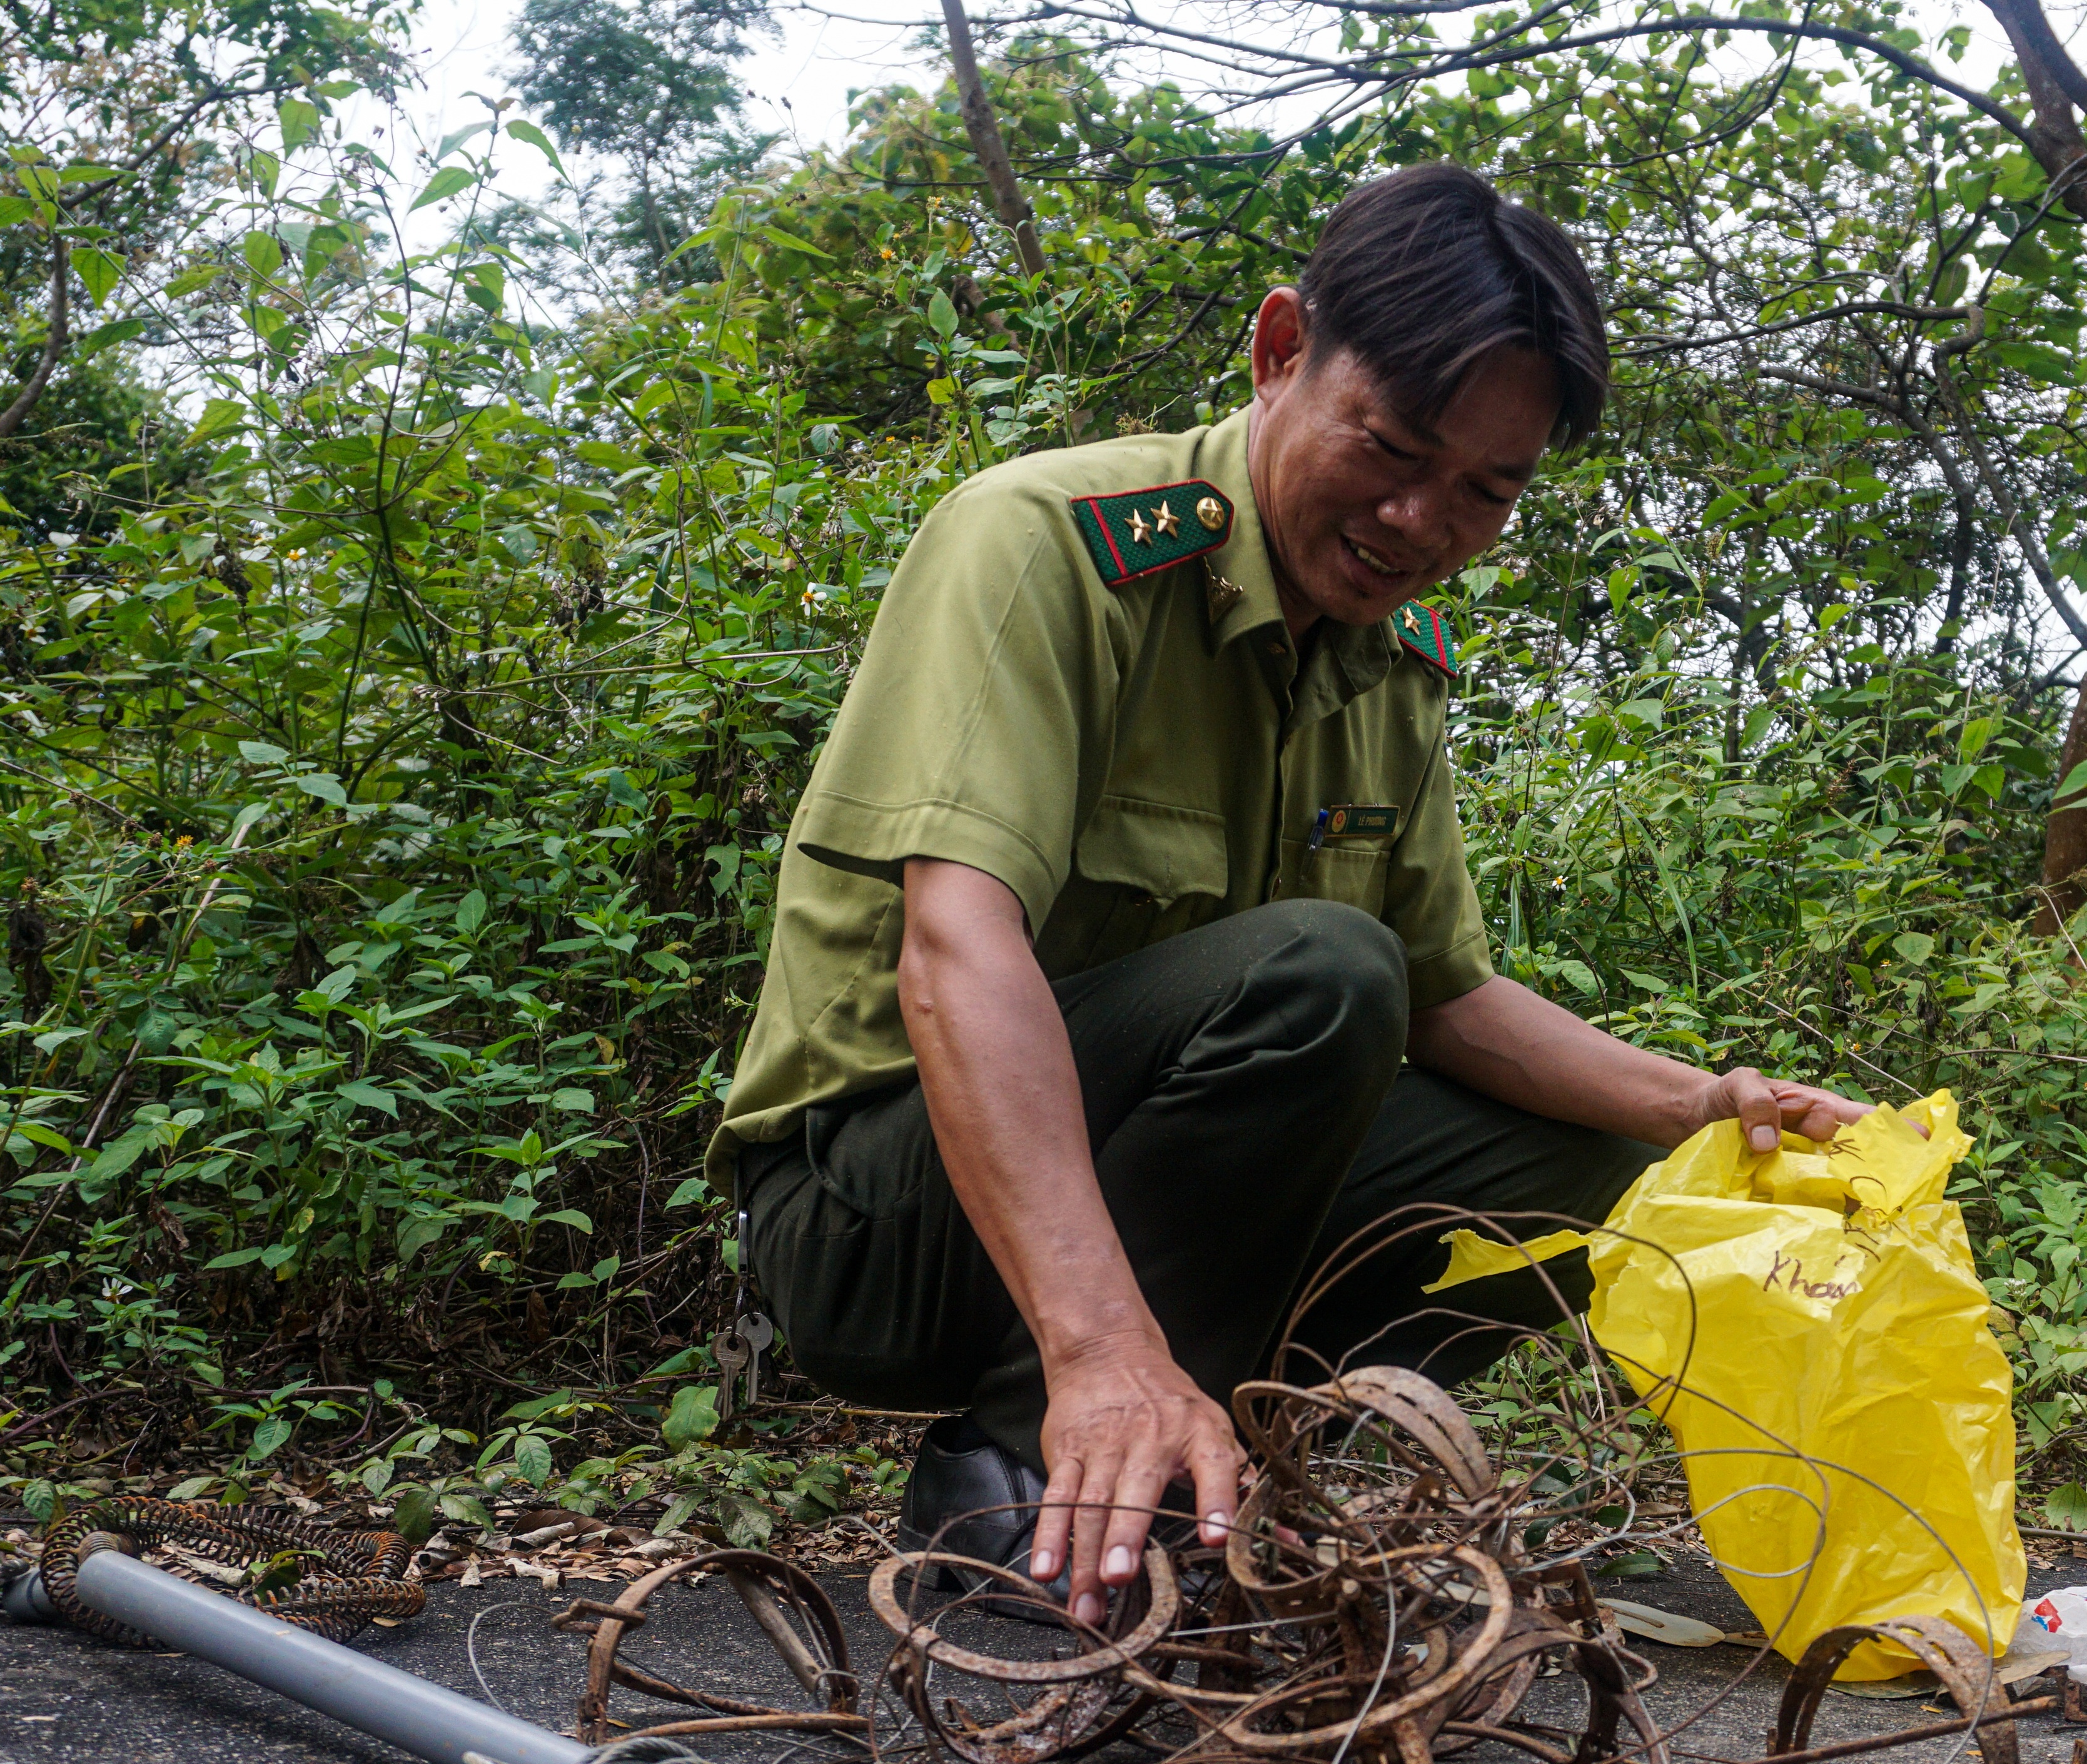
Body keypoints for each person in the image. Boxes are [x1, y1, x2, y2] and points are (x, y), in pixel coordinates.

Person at [713, 163, 1888, 1633]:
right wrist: (1094, 1350)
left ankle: (1235, 1478)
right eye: (1390, 447)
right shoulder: (1041, 547)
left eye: (1486, 489)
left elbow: (1448, 995)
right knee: (1319, 970)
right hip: (874, 1215)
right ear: (1280, 353)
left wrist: (1699, 1108)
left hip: (1111, 1198)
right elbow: (956, 950)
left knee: (1592, 1170)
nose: (1419, 518)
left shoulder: (1386, 660)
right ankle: (1023, 1474)